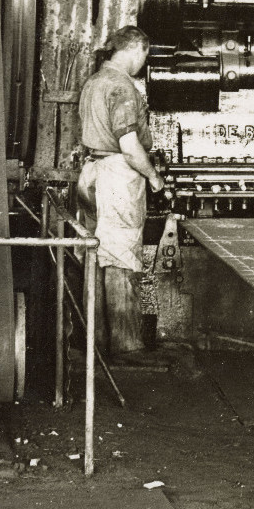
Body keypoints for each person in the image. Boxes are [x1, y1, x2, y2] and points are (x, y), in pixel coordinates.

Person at [77, 25, 166, 365]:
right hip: (117, 175)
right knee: (122, 258)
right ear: (137, 49)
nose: (144, 61)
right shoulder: (122, 86)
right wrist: (153, 176)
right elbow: (129, 147)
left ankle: (97, 341)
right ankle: (128, 347)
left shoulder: (95, 81)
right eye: (145, 54)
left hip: (92, 173)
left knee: (96, 255)